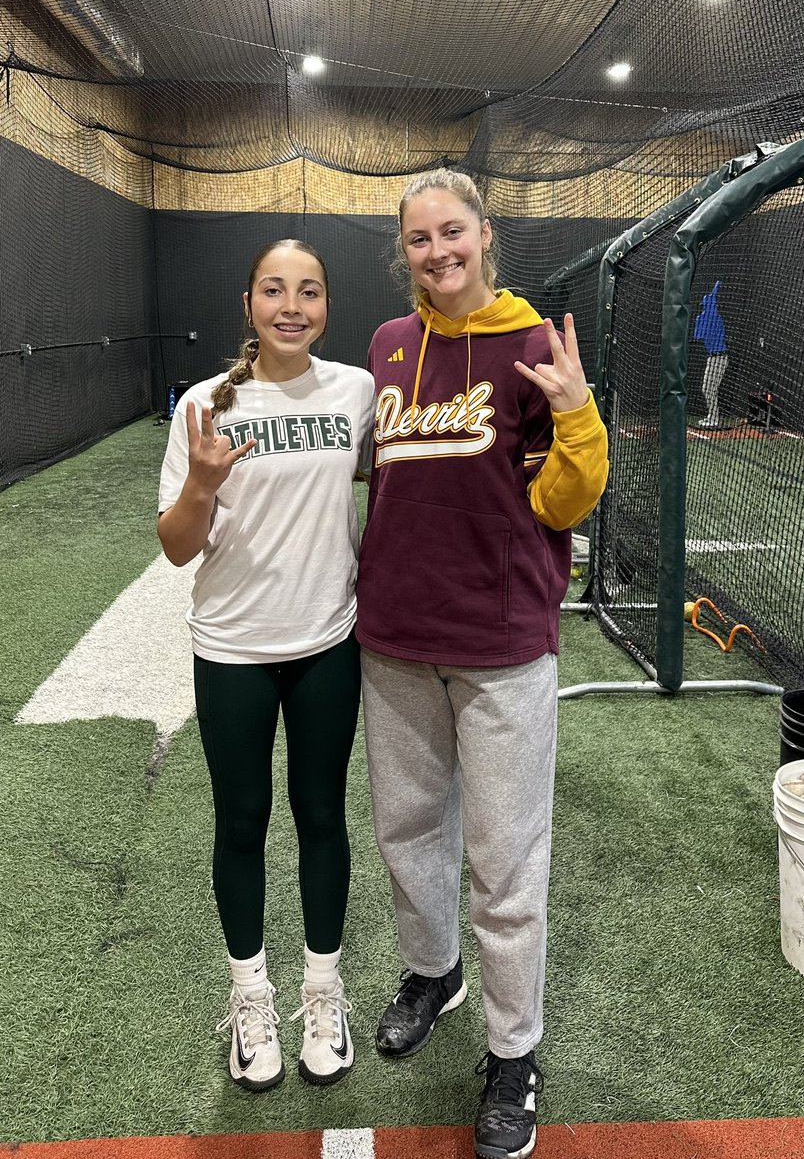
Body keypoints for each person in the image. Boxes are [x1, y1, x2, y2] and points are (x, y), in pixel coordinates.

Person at [356, 169, 609, 1159]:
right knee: (408, 831)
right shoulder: (386, 345)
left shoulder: (533, 344)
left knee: (505, 864)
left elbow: (564, 503)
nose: (436, 251)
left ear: (484, 233)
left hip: (501, 647)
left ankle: (514, 1052)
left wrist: (579, 412)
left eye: (450, 231)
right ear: (404, 249)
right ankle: (433, 973)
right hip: (395, 639)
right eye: (418, 238)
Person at [157, 240, 375, 1091]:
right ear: (248, 301)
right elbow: (176, 549)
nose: (293, 305)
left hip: (328, 640)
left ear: (326, 304)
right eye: (275, 290)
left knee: (322, 815)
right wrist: (203, 484)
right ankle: (251, 998)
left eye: (310, 291)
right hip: (233, 650)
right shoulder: (205, 409)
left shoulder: (355, 391)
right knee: (241, 821)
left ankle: (323, 991)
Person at [693, 279, 728, 428]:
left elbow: (713, 298)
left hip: (720, 357)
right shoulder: (703, 318)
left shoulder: (715, 316)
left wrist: (717, 286)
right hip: (712, 358)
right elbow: (697, 336)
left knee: (709, 388)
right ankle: (712, 416)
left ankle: (714, 418)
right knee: (707, 388)